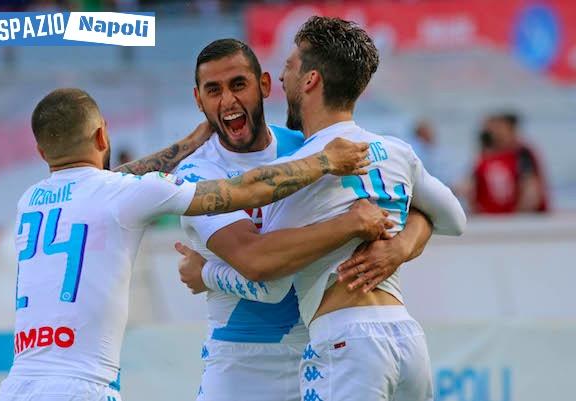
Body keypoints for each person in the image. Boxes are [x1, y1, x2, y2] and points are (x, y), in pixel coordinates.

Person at [0, 87, 388, 401]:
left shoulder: (29, 200)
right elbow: (243, 189)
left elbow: (101, 183)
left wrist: (187, 144)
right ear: (102, 136)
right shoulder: (118, 194)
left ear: (42, 152)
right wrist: (324, 161)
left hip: (16, 385)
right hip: (82, 387)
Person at [179, 17, 466, 401]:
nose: (228, 100)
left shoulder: (303, 158)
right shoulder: (198, 172)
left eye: (238, 84)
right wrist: (387, 237)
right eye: (213, 90)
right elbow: (449, 215)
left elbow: (264, 273)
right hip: (243, 363)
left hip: (330, 346)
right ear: (198, 99)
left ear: (265, 85)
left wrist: (398, 247)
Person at [472, 113, 549, 214]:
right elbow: (472, 187)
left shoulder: (522, 154)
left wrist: (517, 215)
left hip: (517, 218)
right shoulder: (485, 157)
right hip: (493, 217)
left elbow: (531, 191)